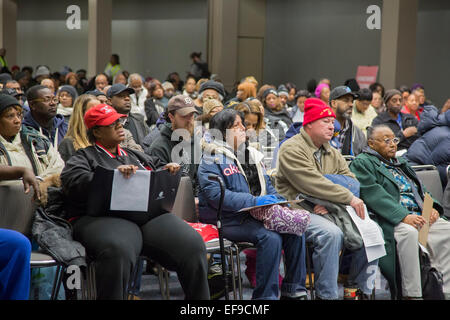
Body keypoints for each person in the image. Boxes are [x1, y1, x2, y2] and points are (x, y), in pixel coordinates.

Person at [60, 104, 209, 300]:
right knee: (119, 248)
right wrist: (111, 177)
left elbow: (157, 166)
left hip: (146, 215)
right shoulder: (84, 156)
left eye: (119, 121)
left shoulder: (134, 155)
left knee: (193, 244)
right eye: (111, 124)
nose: (119, 126)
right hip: (100, 217)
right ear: (96, 131)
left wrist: (168, 167)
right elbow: (72, 181)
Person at [198, 108, 309, 300]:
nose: (244, 128)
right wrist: (255, 201)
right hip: (228, 220)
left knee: (294, 228)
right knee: (271, 238)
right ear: (223, 132)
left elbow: (268, 186)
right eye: (237, 125)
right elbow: (217, 196)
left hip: (256, 214)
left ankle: (293, 289)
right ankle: (265, 298)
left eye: (243, 125)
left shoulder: (250, 155)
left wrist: (280, 203)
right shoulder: (211, 158)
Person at [275, 97, 378, 300]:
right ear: (309, 123)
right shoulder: (291, 148)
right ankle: (327, 296)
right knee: (331, 234)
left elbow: (353, 182)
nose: (332, 126)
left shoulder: (331, 150)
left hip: (331, 208)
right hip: (296, 209)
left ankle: (356, 291)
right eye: (326, 122)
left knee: (373, 233)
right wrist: (342, 196)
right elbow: (311, 183)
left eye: (333, 122)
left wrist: (330, 202)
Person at [349, 124, 450, 300]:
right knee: (409, 234)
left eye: (394, 140)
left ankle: (445, 291)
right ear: (371, 144)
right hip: (390, 219)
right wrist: (403, 216)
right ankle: (413, 294)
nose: (393, 144)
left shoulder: (400, 162)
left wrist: (432, 206)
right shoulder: (363, 163)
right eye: (386, 140)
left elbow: (421, 189)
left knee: (447, 230)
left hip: (419, 214)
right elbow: (373, 194)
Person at [0, 93, 64, 205]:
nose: (17, 120)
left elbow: (58, 167)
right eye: (10, 116)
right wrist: (22, 171)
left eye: (19, 115)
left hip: (40, 207)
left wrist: (40, 182)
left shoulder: (36, 139)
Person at [148, 95, 200, 195]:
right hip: (171, 200)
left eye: (192, 115)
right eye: (184, 116)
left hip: (193, 199)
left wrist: (197, 198)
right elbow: (158, 186)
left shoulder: (195, 141)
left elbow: (199, 178)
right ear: (171, 117)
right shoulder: (158, 147)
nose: (189, 120)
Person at [404, 105, 450, 188]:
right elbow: (436, 165)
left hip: (419, 168)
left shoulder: (444, 124)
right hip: (414, 170)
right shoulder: (447, 135)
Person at [107, 83, 149, 147]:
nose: (127, 99)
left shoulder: (139, 120)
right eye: (121, 96)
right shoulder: (105, 124)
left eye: (128, 96)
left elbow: (148, 144)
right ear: (110, 101)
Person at [328, 86, 366, 156]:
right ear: (334, 103)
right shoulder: (321, 128)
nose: (351, 104)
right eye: (346, 100)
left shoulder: (358, 134)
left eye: (352, 101)